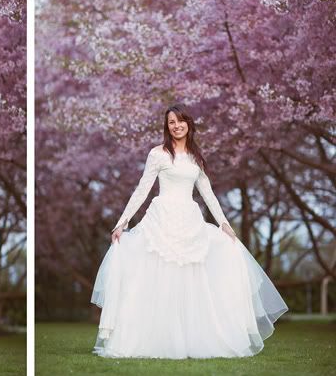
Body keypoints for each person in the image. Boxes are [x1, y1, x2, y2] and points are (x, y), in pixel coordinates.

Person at [91, 105, 288, 358]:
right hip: (161, 219)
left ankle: (191, 338)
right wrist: (123, 222)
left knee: (192, 276)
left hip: (190, 219)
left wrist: (224, 224)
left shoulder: (196, 157)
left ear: (188, 124)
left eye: (180, 121)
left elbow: (208, 193)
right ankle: (155, 338)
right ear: (167, 126)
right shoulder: (158, 154)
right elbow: (142, 189)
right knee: (156, 276)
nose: (176, 126)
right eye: (171, 122)